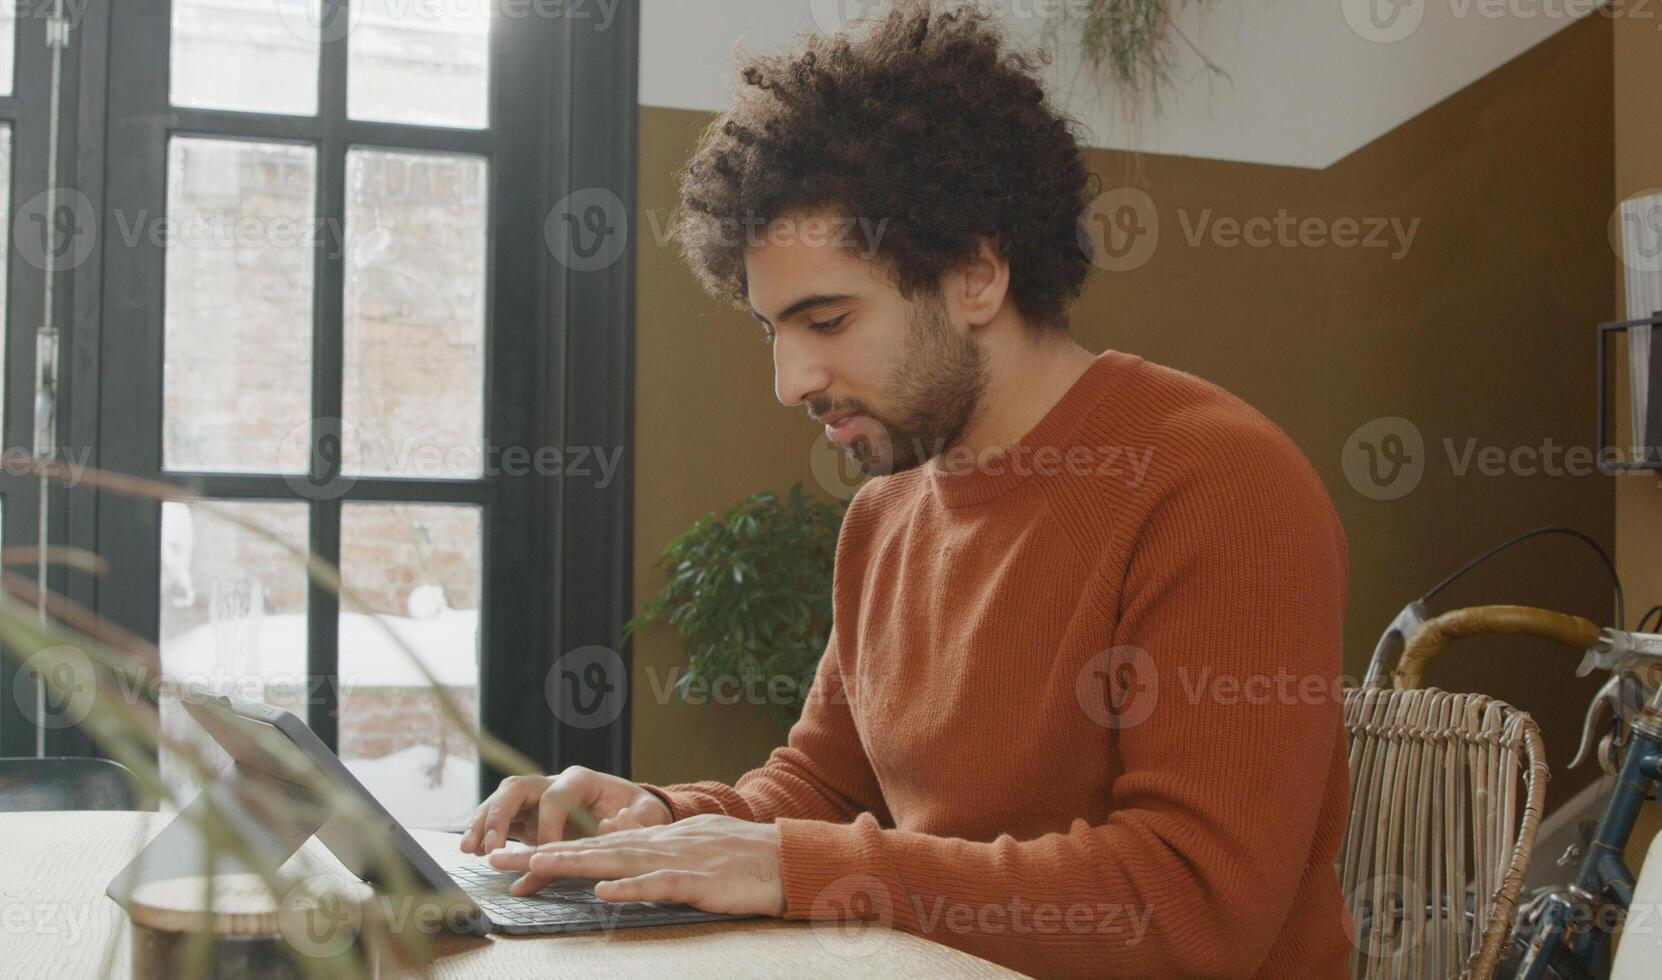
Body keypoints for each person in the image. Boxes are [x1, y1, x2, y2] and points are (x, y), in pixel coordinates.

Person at [462, 3, 1351, 976]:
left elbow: (1191, 907)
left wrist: (797, 862)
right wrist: (664, 816)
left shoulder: (1214, 482)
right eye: (772, 331)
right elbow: (821, 789)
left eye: (828, 318)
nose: (790, 381)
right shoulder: (884, 516)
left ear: (973, 273)